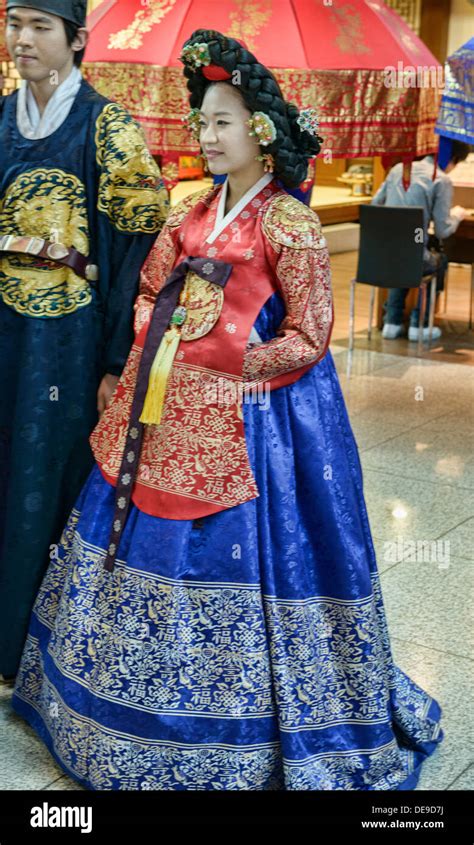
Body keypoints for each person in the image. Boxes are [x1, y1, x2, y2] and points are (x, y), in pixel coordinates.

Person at [11, 29, 443, 790]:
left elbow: (311, 334)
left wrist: (236, 361)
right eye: (202, 122)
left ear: (260, 133)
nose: (206, 137)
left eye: (222, 123)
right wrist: (160, 330)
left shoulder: (291, 223)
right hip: (167, 397)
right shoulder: (185, 215)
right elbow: (149, 285)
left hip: (258, 418)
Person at [0, 0, 169, 681]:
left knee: (49, 479)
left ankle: (38, 652)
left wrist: (115, 363)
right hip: (5, 331)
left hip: (68, 345)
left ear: (78, 40)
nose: (23, 39)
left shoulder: (110, 129)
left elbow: (139, 254)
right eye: (15, 24)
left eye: (42, 27)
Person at [371, 140, 470, 342]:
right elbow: (442, 231)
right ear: (453, 159)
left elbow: (375, 204)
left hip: (383, 255)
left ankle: (392, 321)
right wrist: (458, 215)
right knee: (437, 261)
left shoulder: (399, 169)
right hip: (414, 254)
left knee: (404, 257)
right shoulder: (440, 179)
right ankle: (421, 325)